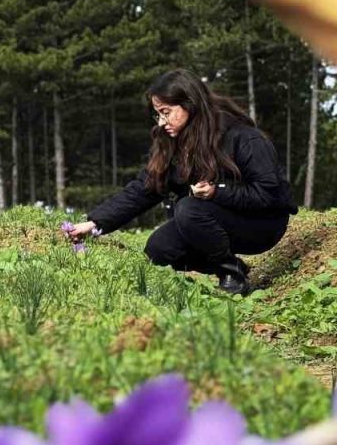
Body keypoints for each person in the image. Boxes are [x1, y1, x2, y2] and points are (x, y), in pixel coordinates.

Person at [67, 69, 296, 296]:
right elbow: (144, 189)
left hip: (263, 224)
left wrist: (217, 192)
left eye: (166, 112)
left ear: (190, 103)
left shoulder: (243, 137)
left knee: (187, 208)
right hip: (212, 219)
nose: (162, 122)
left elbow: (268, 195)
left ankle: (232, 277)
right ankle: (232, 265)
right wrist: (94, 223)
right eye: (157, 114)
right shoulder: (173, 144)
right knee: (158, 250)